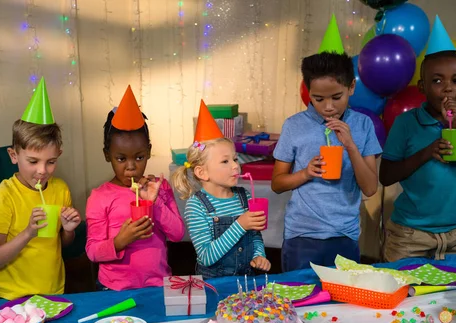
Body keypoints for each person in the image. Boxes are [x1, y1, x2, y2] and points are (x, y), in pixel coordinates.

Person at [380, 17, 456, 262]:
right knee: (402, 296)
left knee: (449, 298)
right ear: (422, 87)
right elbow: (386, 175)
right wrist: (427, 153)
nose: (448, 89)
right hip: (409, 235)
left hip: (455, 234)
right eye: (437, 81)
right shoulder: (407, 123)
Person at [271, 52, 381, 271]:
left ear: (351, 87)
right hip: (301, 234)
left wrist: (350, 145)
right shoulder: (294, 125)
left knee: (341, 303)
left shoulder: (363, 125)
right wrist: (306, 173)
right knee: (299, 300)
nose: (328, 107)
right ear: (308, 92)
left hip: (344, 234)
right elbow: (277, 184)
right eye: (319, 99)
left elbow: (370, 188)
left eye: (336, 97)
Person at [0, 78, 81, 299]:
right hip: (13, 296)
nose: (42, 171)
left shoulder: (60, 189)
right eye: (33, 161)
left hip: (53, 291)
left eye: (51, 161)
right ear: (13, 156)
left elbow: (63, 243)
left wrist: (68, 229)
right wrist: (28, 232)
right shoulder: (3, 196)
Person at [85, 86, 185, 290]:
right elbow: (93, 251)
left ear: (149, 151)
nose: (131, 166)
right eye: (121, 158)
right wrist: (121, 240)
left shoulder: (159, 187)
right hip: (113, 288)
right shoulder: (99, 197)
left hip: (158, 284)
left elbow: (178, 234)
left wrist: (155, 202)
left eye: (139, 157)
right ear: (107, 155)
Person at [172, 100, 270, 279]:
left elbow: (254, 236)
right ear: (202, 172)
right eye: (225, 161)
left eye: (235, 159)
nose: (235, 166)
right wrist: (240, 224)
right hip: (215, 285)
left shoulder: (244, 197)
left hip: (246, 280)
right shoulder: (196, 206)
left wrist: (259, 255)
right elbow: (206, 257)